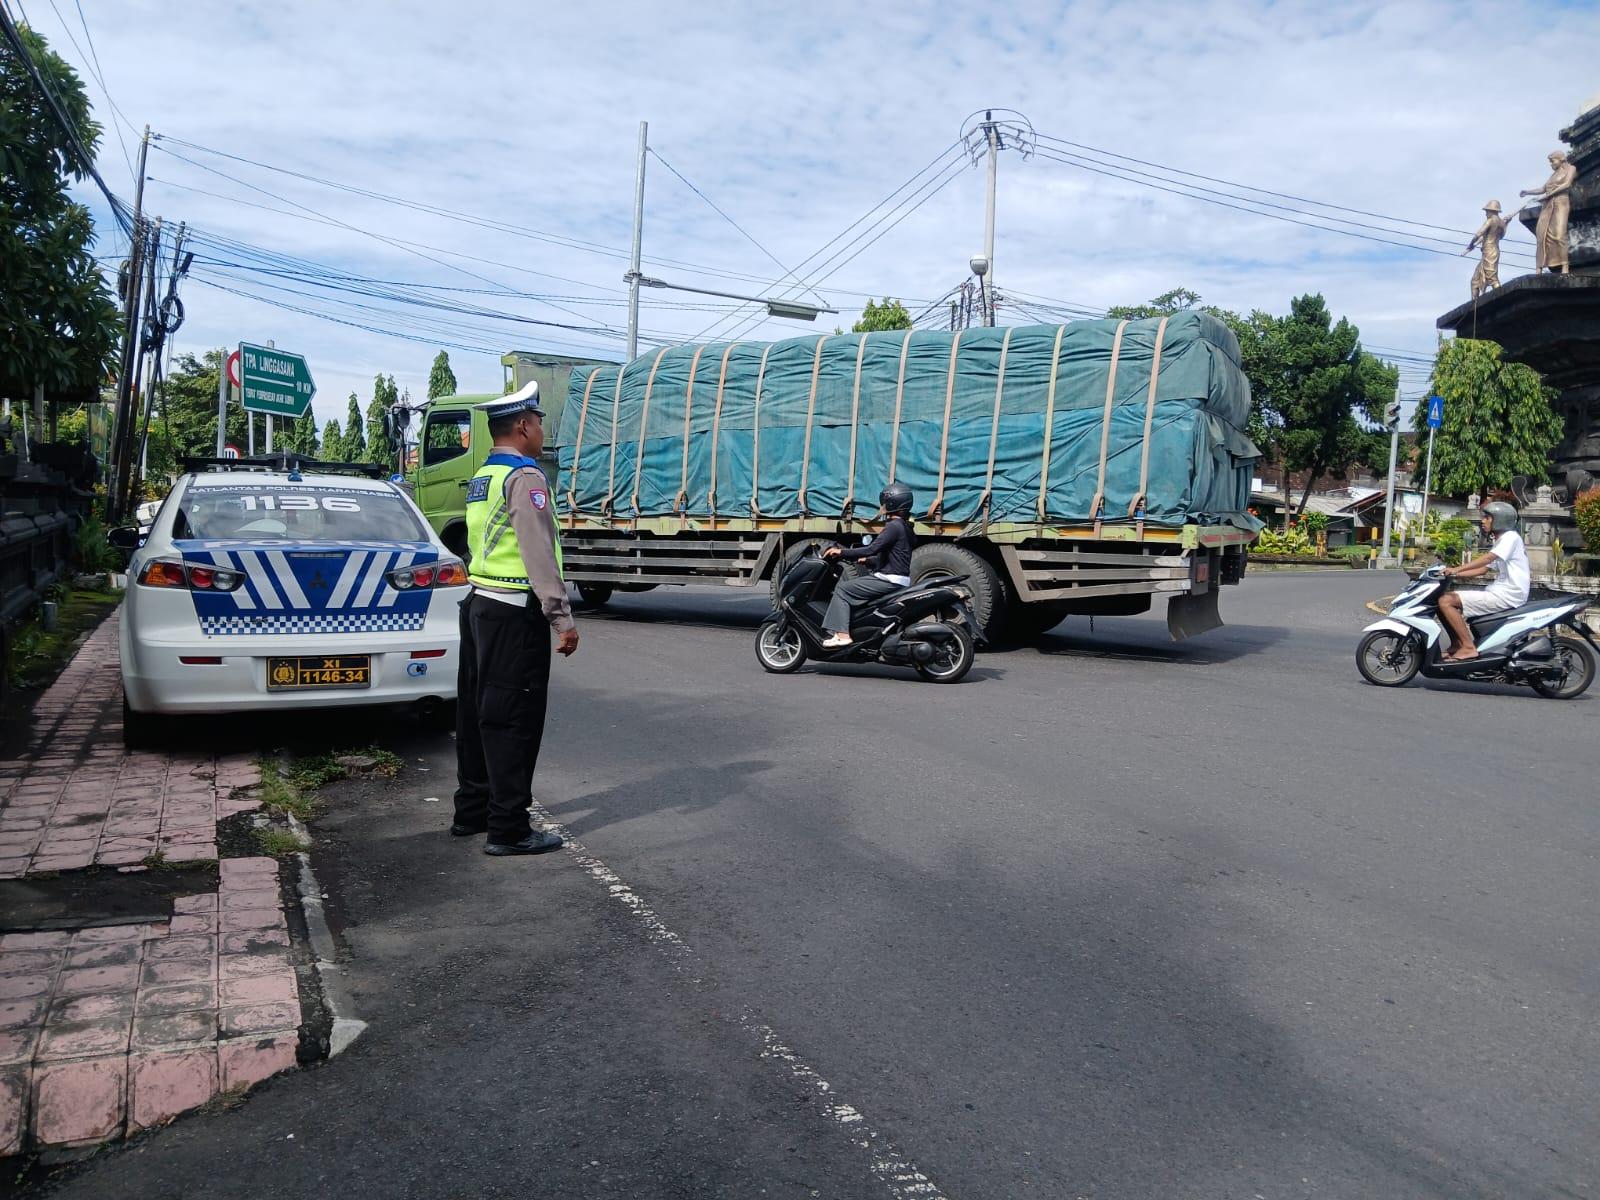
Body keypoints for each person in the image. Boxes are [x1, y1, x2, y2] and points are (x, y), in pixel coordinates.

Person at [452, 382, 580, 855]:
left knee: (476, 714)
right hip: (512, 612)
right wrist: (561, 618)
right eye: (540, 422)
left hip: (480, 605)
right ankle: (509, 829)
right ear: (523, 426)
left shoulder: (485, 474)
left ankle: (472, 811)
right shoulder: (526, 477)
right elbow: (538, 552)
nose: (543, 430)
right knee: (513, 720)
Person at [820, 482, 916, 649]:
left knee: (843, 590)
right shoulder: (906, 528)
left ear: (891, 503)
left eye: (885, 501)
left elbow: (872, 548)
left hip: (888, 580)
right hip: (898, 578)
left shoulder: (893, 526)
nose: (883, 505)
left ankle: (842, 635)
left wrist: (840, 552)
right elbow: (895, 556)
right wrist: (868, 561)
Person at [1438, 501, 1530, 661]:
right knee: (1441, 601)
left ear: (1500, 519)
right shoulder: (1502, 540)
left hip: (1508, 595)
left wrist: (1457, 569)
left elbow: (1488, 558)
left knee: (1446, 601)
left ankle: (1467, 647)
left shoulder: (1510, 538)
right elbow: (1484, 569)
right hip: (1500, 591)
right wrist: (1453, 574)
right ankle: (1456, 645)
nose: (1483, 521)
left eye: (1488, 517)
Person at [1462, 200, 1512, 299]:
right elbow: (1500, 236)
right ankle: (1474, 306)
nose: (1486, 213)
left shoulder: (1491, 220)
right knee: (1475, 280)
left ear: (1492, 211)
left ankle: (1502, 298)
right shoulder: (1501, 223)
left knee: (1492, 278)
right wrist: (1506, 224)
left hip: (1489, 251)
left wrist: (1470, 244)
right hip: (1492, 251)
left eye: (1487, 211)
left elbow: (1478, 234)